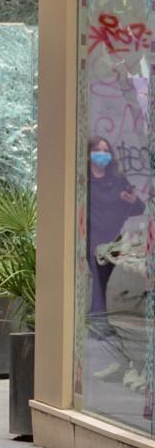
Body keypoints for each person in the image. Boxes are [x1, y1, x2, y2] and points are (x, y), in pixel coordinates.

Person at [87, 136, 144, 381]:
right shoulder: (83, 181)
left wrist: (133, 202)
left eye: (105, 150)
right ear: (89, 154)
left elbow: (137, 208)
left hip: (115, 243)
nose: (102, 154)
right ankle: (99, 325)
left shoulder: (118, 179)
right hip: (91, 240)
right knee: (99, 285)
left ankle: (105, 326)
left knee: (108, 285)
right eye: (97, 150)